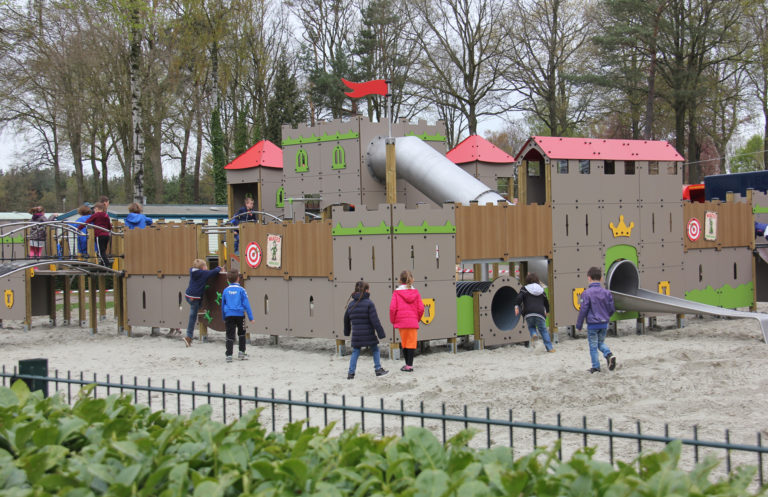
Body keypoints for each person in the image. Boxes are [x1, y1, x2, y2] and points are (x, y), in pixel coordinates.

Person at [343, 280, 389, 379]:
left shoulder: (351, 304)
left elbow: (346, 320)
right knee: (375, 349)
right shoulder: (369, 303)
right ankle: (378, 369)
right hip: (369, 333)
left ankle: (351, 373)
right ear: (367, 290)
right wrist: (381, 333)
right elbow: (375, 320)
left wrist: (347, 332)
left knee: (355, 352)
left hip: (356, 335)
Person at [576, 266, 617, 373]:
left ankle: (596, 367)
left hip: (593, 324)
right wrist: (607, 317)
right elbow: (612, 308)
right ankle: (608, 354)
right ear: (601, 278)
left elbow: (583, 310)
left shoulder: (586, 293)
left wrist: (579, 325)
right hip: (604, 323)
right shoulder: (607, 293)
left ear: (589, 278)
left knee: (593, 346)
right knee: (600, 342)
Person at [389, 270, 424, 372]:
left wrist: (393, 320)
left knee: (404, 343)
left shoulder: (396, 292)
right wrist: (416, 319)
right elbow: (421, 308)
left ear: (400, 280)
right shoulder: (416, 292)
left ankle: (407, 365)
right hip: (412, 321)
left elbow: (392, 308)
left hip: (401, 321)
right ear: (412, 279)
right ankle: (409, 365)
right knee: (411, 343)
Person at [183, 259, 223, 347]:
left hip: (188, 295)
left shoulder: (193, 271)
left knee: (197, 307)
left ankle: (201, 309)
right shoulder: (203, 273)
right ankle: (188, 337)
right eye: (206, 266)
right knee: (192, 317)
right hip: (194, 298)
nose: (207, 267)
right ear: (203, 268)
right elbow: (213, 272)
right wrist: (219, 268)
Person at [514, 272, 555, 352]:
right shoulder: (541, 290)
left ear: (527, 281)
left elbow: (519, 298)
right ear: (537, 281)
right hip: (540, 313)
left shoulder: (524, 289)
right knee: (543, 330)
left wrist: (516, 306)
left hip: (528, 313)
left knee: (531, 327)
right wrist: (548, 311)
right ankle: (550, 348)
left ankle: (534, 334)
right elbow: (546, 302)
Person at [221, 269, 253, 362]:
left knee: (229, 335)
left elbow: (222, 304)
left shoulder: (225, 290)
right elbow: (247, 304)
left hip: (229, 315)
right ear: (238, 278)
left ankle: (229, 355)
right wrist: (251, 317)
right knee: (242, 333)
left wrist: (223, 317)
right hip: (240, 315)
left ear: (227, 279)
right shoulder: (242, 290)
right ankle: (241, 353)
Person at [85, 202, 112, 266]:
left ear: (96, 209)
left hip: (99, 235)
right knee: (103, 250)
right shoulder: (106, 215)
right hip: (106, 235)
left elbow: (87, 222)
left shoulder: (96, 215)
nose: (94, 210)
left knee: (100, 252)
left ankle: (106, 265)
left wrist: (79, 228)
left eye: (94, 209)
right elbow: (109, 226)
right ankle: (103, 264)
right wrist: (109, 231)